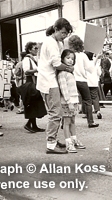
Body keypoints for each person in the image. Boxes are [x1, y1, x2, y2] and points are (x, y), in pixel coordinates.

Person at [37, 18, 73, 154]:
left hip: (49, 81)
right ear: (56, 29)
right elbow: (56, 64)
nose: (64, 36)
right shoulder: (51, 43)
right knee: (56, 113)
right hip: (49, 82)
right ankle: (51, 144)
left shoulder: (55, 42)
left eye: (66, 34)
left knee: (55, 112)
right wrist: (69, 68)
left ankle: (52, 139)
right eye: (62, 33)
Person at [68, 35, 99, 128]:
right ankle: (90, 122)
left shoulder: (68, 55)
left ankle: (64, 123)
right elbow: (90, 69)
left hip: (70, 80)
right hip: (81, 80)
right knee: (88, 100)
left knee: (69, 101)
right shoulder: (82, 55)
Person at [58, 49, 86, 153]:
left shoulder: (70, 72)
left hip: (73, 100)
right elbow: (64, 89)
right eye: (68, 58)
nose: (70, 60)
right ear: (62, 58)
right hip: (66, 101)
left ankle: (74, 139)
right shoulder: (62, 73)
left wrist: (76, 102)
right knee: (67, 122)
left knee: (73, 121)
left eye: (72, 58)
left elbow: (74, 89)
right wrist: (69, 101)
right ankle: (68, 142)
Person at [18, 41, 46, 133]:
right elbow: (26, 71)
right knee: (32, 104)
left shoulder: (33, 58)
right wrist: (37, 69)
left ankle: (33, 125)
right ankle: (29, 124)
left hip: (34, 83)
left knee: (35, 104)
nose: (37, 50)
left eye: (37, 48)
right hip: (31, 83)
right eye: (35, 48)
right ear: (29, 50)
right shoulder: (27, 59)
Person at [85, 51, 102, 119]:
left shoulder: (85, 63)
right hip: (94, 82)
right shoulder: (96, 63)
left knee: (87, 98)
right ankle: (97, 110)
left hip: (86, 82)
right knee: (95, 97)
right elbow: (99, 73)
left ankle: (88, 113)